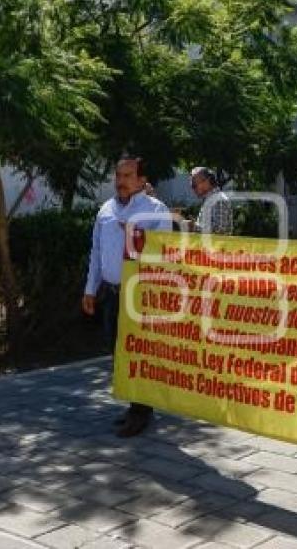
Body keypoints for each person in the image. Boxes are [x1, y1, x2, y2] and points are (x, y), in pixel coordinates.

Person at [82, 158, 172, 437]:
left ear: (142, 180)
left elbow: (165, 253)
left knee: (138, 352)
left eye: (128, 175)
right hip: (110, 292)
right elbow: (97, 251)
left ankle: (141, 412)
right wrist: (90, 289)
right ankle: (135, 406)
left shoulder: (155, 210)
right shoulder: (106, 210)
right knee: (118, 352)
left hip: (140, 293)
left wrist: (138, 236)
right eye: (118, 175)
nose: (121, 181)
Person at [188, 167, 234, 235]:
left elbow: (221, 230)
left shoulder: (219, 200)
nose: (192, 188)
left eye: (194, 185)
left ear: (207, 181)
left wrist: (194, 227)